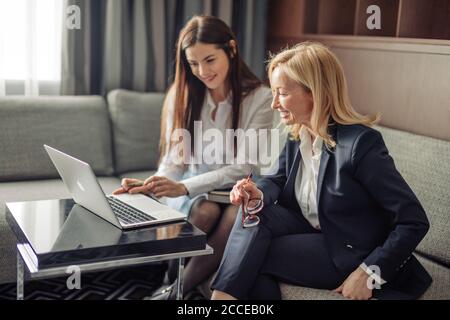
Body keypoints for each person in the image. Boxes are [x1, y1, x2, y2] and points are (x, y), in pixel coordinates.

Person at [210, 42, 432, 300]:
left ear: (314, 92)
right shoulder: (298, 134)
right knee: (255, 214)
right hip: (313, 233)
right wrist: (256, 192)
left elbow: (413, 221)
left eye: (281, 93)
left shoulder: (360, 145)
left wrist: (368, 273)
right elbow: (277, 179)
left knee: (253, 257)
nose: (274, 104)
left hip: (350, 250)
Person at [113, 15, 273, 299]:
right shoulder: (183, 93)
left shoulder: (260, 98)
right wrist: (154, 184)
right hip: (198, 192)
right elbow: (175, 160)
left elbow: (244, 166)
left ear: (232, 50)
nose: (202, 71)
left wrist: (185, 186)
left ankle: (175, 290)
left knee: (234, 215)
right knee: (205, 209)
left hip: (237, 190)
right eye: (194, 63)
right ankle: (172, 281)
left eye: (210, 60)